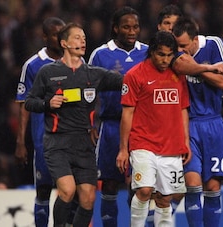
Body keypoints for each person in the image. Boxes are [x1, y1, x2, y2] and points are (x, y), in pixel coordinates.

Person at [24, 22, 123, 227]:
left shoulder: (94, 74)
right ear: (64, 43)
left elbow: (127, 81)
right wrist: (47, 104)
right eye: (77, 37)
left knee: (88, 197)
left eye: (84, 37)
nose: (82, 40)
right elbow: (29, 102)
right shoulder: (48, 72)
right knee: (67, 191)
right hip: (57, 142)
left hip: (84, 143)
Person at [116, 30, 191, 227]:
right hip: (143, 143)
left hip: (172, 145)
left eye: (169, 55)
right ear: (151, 52)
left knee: (167, 197)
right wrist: (123, 149)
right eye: (161, 54)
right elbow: (127, 114)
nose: (165, 60)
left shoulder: (178, 76)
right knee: (144, 190)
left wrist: (185, 142)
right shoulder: (134, 75)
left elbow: (183, 109)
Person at [88, 6, 148, 227]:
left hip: (141, 127)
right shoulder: (100, 54)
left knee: (139, 185)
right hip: (111, 126)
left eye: (135, 27)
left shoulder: (148, 52)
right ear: (115, 29)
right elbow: (89, 90)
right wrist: (91, 122)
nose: (132, 31)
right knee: (110, 183)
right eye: (126, 27)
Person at [14, 17, 77, 227]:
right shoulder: (32, 65)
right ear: (44, 36)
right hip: (43, 138)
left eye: (62, 34)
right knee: (43, 188)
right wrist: (21, 142)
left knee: (72, 188)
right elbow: (23, 104)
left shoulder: (76, 61)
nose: (59, 39)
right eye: (54, 34)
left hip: (71, 136)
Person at [172, 17, 223, 227]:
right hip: (188, 124)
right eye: (177, 45)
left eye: (184, 46)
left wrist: (196, 68)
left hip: (213, 123)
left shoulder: (214, 44)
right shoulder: (175, 52)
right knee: (192, 185)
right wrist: (208, 69)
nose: (180, 51)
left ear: (195, 39)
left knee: (213, 187)